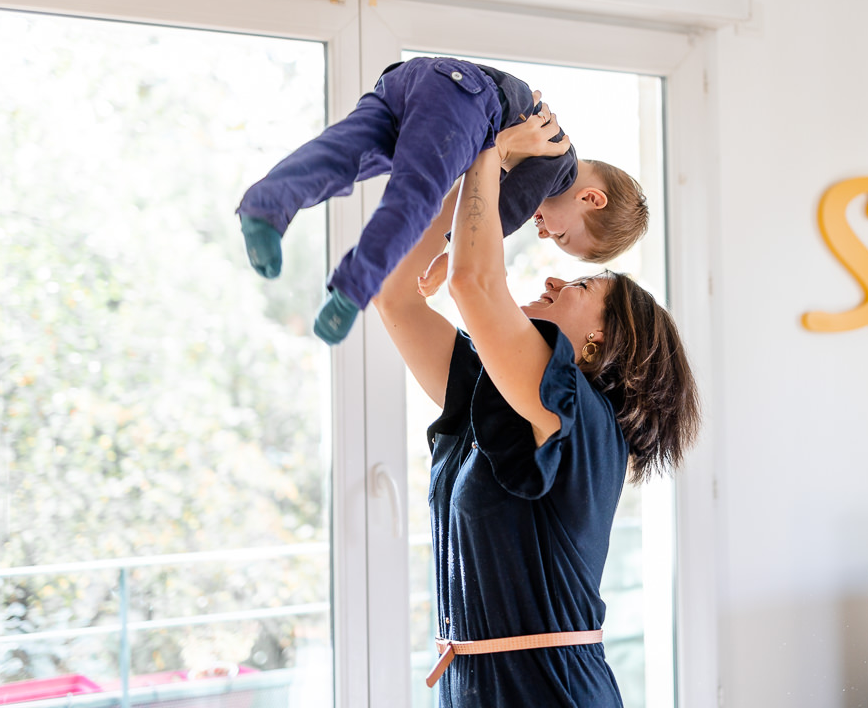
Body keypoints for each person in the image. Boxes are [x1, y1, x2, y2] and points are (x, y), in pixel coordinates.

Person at [372, 116, 700, 706]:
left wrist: (494, 159)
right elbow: (395, 292)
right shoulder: (488, 385)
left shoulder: (584, 419)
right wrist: (474, 171)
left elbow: (473, 284)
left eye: (580, 288)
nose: (554, 275)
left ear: (596, 345)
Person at [235, 56, 649, 344]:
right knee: (413, 199)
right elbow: (499, 215)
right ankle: (351, 289)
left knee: (343, 155)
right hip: (464, 100)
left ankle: (267, 206)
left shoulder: (538, 143)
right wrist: (447, 257)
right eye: (562, 237)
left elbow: (484, 188)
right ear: (591, 199)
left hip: (412, 81)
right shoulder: (557, 158)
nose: (545, 235)